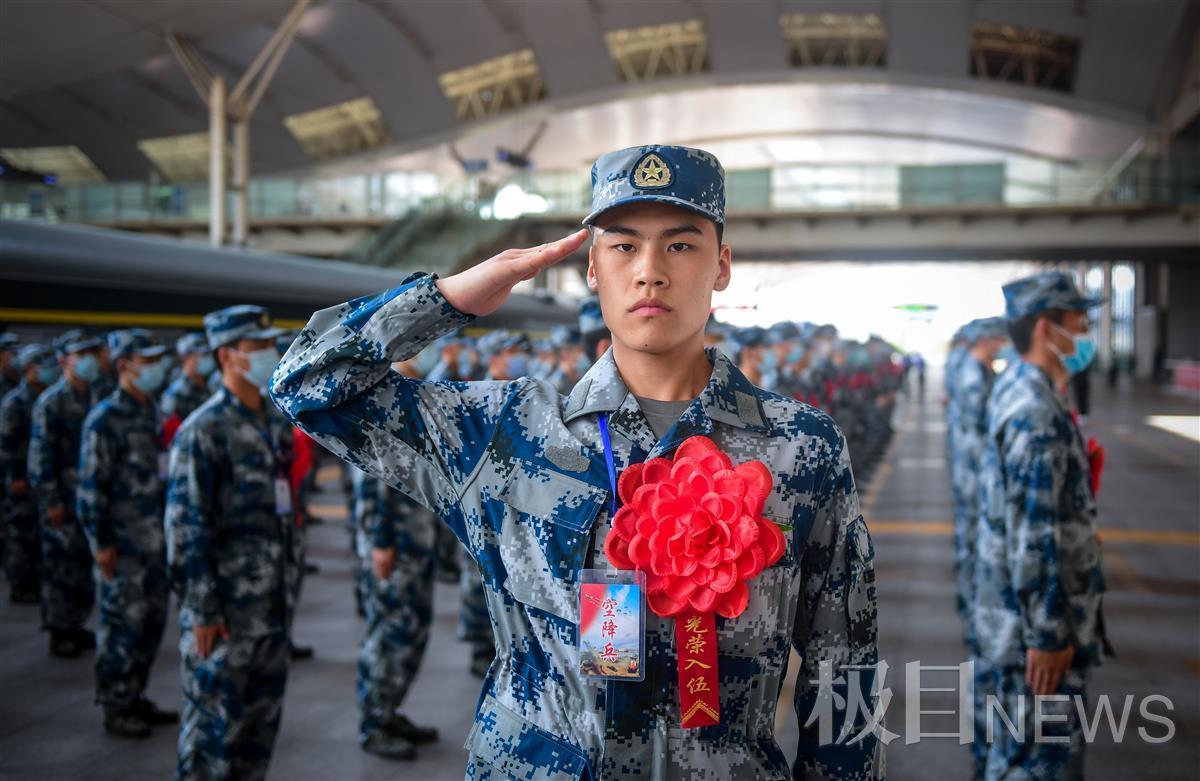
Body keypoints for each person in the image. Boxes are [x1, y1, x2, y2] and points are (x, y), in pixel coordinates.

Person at [272, 144, 882, 779]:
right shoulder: (503, 434)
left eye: (680, 245)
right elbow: (306, 383)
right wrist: (448, 297)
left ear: (721, 266)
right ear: (592, 267)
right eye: (623, 246)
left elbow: (844, 666)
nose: (650, 272)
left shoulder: (799, 449)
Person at [974, 271, 1110, 780]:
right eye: (1079, 322)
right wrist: (1050, 634)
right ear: (1044, 328)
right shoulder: (1035, 411)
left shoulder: (1023, 389)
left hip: (1013, 619)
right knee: (1037, 764)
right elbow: (1036, 533)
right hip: (1035, 635)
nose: (1085, 334)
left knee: (1017, 756)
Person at [166, 305, 301, 781]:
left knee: (257, 733)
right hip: (226, 612)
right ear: (226, 355)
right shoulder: (202, 431)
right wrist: (201, 609)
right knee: (212, 738)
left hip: (271, 605)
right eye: (257, 347)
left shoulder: (272, 420)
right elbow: (187, 526)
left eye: (270, 344)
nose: (269, 354)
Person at [77, 330, 177, 738]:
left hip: (156, 541)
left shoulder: (151, 411)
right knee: (123, 625)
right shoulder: (105, 418)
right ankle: (116, 704)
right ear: (124, 366)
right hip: (125, 543)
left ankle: (135, 695)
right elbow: (90, 488)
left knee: (151, 623)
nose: (155, 366)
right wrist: (100, 543)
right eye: (146, 359)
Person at [352, 464, 439, 759]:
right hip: (394, 545)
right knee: (388, 635)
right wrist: (380, 540)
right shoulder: (381, 417)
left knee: (411, 633)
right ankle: (374, 723)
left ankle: (388, 712)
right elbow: (371, 472)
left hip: (415, 539)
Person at [28, 329, 103, 657]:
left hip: (88, 496)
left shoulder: (96, 396)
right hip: (63, 496)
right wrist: (51, 500)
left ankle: (75, 624)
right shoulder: (51, 402)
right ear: (64, 361)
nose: (88, 360)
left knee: (82, 565)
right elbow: (41, 455)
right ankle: (59, 629)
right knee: (61, 565)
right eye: (80, 354)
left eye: (91, 353)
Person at [1, 344, 57, 604]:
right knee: (20, 532)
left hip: (41, 478)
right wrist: (14, 476)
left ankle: (35, 580)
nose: (48, 371)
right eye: (42, 366)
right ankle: (21, 582)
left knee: (39, 533)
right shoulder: (14, 402)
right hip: (21, 477)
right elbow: (7, 442)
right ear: (29, 369)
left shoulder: (47, 398)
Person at [161, 333, 215, 445]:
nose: (208, 358)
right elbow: (171, 437)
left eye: (209, 354)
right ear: (186, 358)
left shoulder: (209, 388)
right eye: (203, 355)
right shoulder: (175, 394)